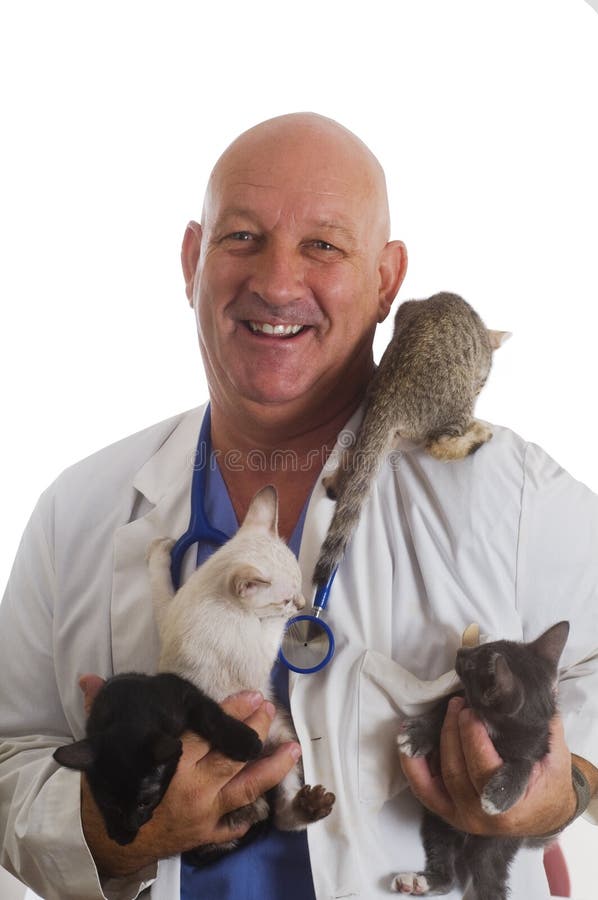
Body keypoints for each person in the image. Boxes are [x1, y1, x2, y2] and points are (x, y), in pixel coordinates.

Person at [0, 112, 596, 900]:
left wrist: (569, 787)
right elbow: (12, 758)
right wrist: (107, 821)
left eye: (323, 245)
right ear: (191, 261)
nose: (277, 283)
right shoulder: (78, 511)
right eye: (242, 237)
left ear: (387, 281)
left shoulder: (509, 494)